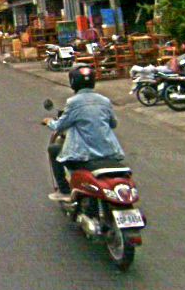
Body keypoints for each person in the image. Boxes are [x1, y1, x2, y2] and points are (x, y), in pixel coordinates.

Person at [42, 66, 125, 202]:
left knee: (53, 149)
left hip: (83, 154)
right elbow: (113, 124)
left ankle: (64, 190)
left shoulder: (73, 102)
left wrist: (48, 121)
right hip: (110, 151)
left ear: (73, 82)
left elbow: (59, 126)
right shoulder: (104, 100)